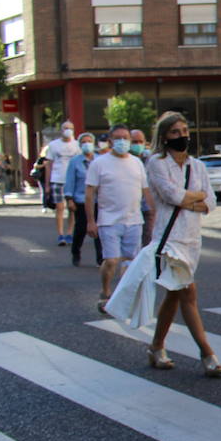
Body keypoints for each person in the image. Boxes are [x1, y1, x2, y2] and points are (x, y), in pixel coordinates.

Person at [146, 112, 221, 377]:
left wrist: (192, 199)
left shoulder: (197, 166)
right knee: (187, 292)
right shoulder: (156, 163)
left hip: (192, 239)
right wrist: (194, 199)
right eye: (175, 132)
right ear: (164, 136)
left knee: (174, 293)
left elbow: (211, 202)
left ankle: (156, 346)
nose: (182, 136)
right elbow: (170, 195)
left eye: (184, 131)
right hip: (169, 239)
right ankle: (207, 353)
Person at [85, 124, 152, 314]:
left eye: (125, 138)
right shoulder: (99, 163)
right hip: (108, 220)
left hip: (134, 220)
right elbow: (90, 193)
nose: (122, 141)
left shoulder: (137, 163)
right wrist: (91, 220)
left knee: (130, 261)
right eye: (118, 138)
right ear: (111, 141)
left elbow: (145, 191)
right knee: (112, 260)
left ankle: (120, 297)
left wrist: (154, 212)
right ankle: (105, 291)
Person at [64, 133, 103, 266]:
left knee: (99, 229)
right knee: (81, 228)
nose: (87, 144)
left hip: (99, 200)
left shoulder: (100, 160)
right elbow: (70, 181)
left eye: (89, 141)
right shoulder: (75, 162)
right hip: (81, 200)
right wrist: (69, 199)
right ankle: (75, 252)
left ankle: (100, 258)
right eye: (84, 142)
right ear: (80, 145)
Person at [44, 120, 81, 246]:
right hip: (57, 179)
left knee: (72, 208)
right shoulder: (54, 145)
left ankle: (69, 233)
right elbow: (49, 164)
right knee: (60, 207)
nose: (68, 130)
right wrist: (47, 184)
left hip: (73, 180)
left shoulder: (77, 145)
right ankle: (60, 234)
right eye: (65, 128)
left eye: (70, 128)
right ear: (61, 130)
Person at [129, 128, 155, 246]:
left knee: (148, 237)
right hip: (129, 208)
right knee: (131, 242)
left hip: (147, 206)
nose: (138, 145)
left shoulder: (151, 159)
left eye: (140, 141)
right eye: (134, 142)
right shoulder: (124, 160)